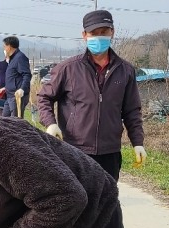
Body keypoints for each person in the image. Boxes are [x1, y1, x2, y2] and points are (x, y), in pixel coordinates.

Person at [37, 10, 145, 180]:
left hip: (110, 152)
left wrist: (137, 142)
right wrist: (50, 123)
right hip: (74, 149)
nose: (99, 37)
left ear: (112, 32)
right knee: (75, 195)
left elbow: (132, 111)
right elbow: (44, 97)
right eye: (94, 33)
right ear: (84, 35)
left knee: (106, 195)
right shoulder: (68, 68)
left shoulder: (125, 71)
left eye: (104, 32)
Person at [0, 36, 31, 118]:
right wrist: (6, 88)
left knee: (15, 121)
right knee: (4, 120)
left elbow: (27, 75)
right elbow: (14, 77)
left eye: (4, 46)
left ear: (9, 46)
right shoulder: (12, 59)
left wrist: (22, 89)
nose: (4, 49)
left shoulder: (20, 58)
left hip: (17, 97)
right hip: (9, 96)